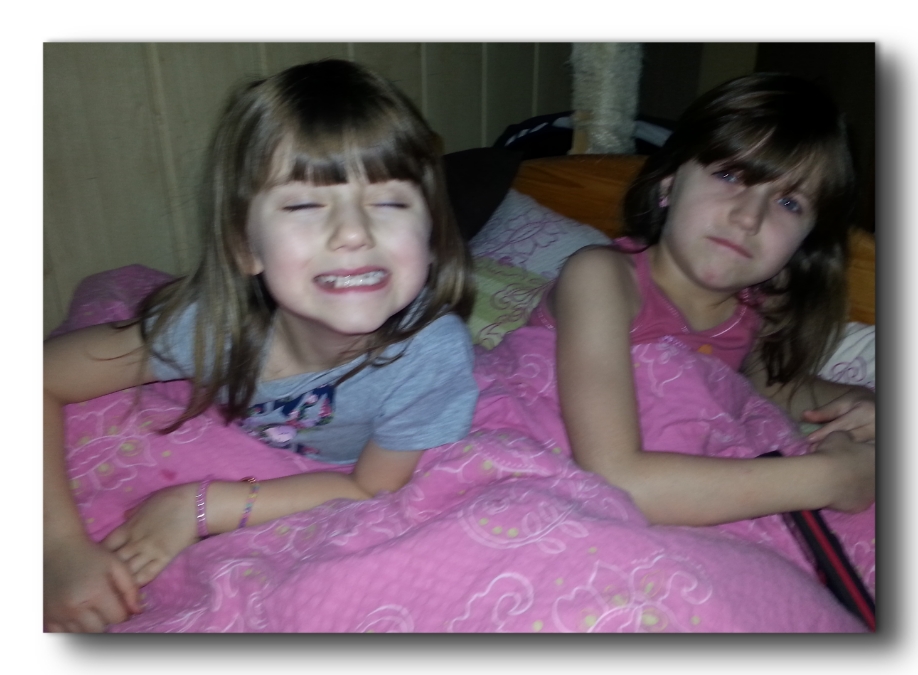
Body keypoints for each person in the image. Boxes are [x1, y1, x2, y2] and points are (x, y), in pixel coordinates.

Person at [43, 59, 478, 632]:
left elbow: (370, 487)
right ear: (244, 247)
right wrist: (56, 548)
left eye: (390, 202)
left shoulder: (430, 355)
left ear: (432, 235)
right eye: (303, 205)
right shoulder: (210, 328)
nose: (354, 233)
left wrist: (200, 506)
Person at [548, 73, 875, 527]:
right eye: (729, 175)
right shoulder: (601, 277)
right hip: (570, 482)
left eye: (789, 203)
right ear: (668, 184)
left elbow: (776, 390)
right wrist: (831, 478)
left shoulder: (756, 310)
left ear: (803, 243)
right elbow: (613, 479)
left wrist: (869, 404)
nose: (748, 217)